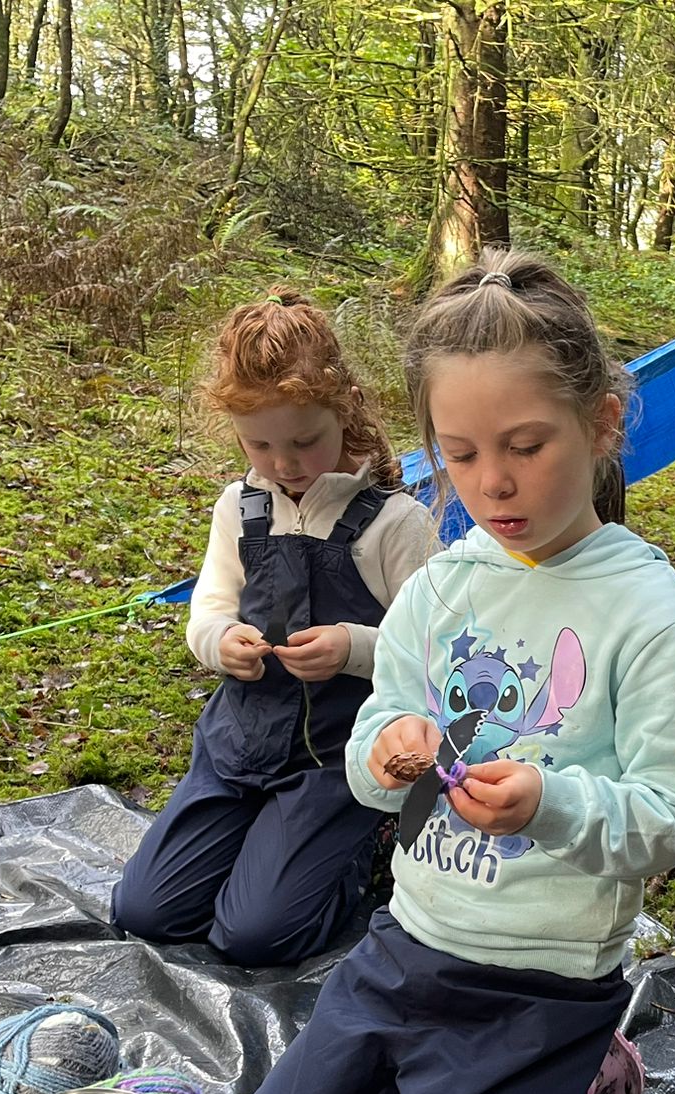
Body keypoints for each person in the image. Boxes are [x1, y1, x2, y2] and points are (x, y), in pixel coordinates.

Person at [216, 251, 675, 1094]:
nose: (492, 481)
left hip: (541, 987)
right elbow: (370, 757)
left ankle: (574, 1091)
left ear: (603, 425)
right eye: (458, 454)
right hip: (406, 951)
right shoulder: (441, 589)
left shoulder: (652, 617)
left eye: (526, 446)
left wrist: (550, 800)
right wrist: (387, 753)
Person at [110, 291, 437, 968]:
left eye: (304, 441)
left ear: (344, 408)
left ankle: (368, 843)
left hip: (335, 761)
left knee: (256, 936)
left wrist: (354, 647)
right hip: (237, 748)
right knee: (145, 913)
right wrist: (220, 643)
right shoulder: (240, 506)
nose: (283, 463)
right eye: (258, 444)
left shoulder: (395, 523)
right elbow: (208, 608)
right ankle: (260, 839)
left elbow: (436, 655)